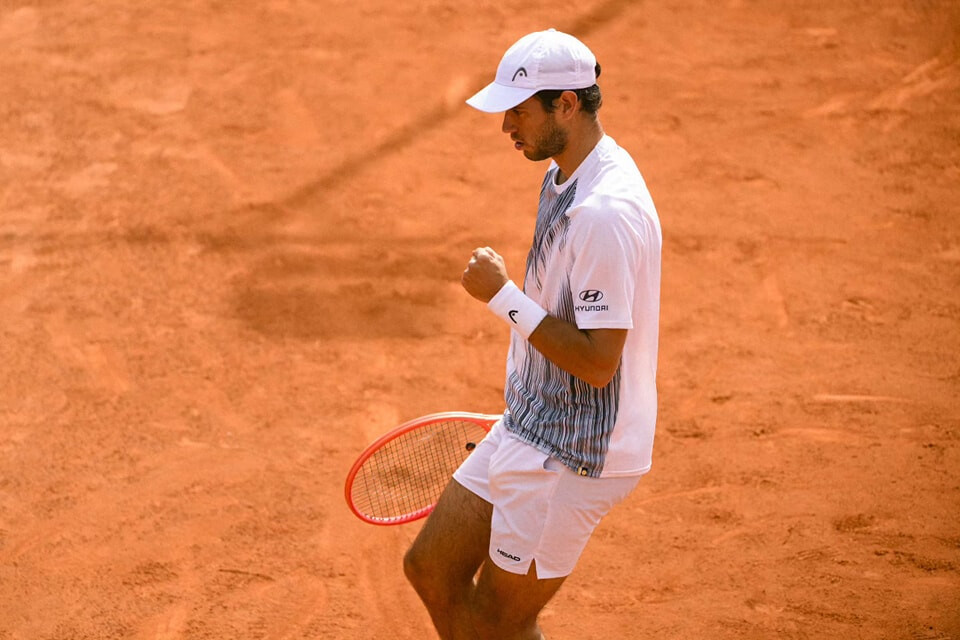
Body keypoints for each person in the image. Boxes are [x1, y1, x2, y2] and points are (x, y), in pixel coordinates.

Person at [403, 28, 662, 640]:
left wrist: (501, 298)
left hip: (575, 453)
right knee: (432, 569)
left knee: (498, 621)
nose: (505, 126)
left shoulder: (603, 214)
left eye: (518, 110)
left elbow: (600, 363)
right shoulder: (565, 173)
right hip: (534, 423)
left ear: (565, 104)